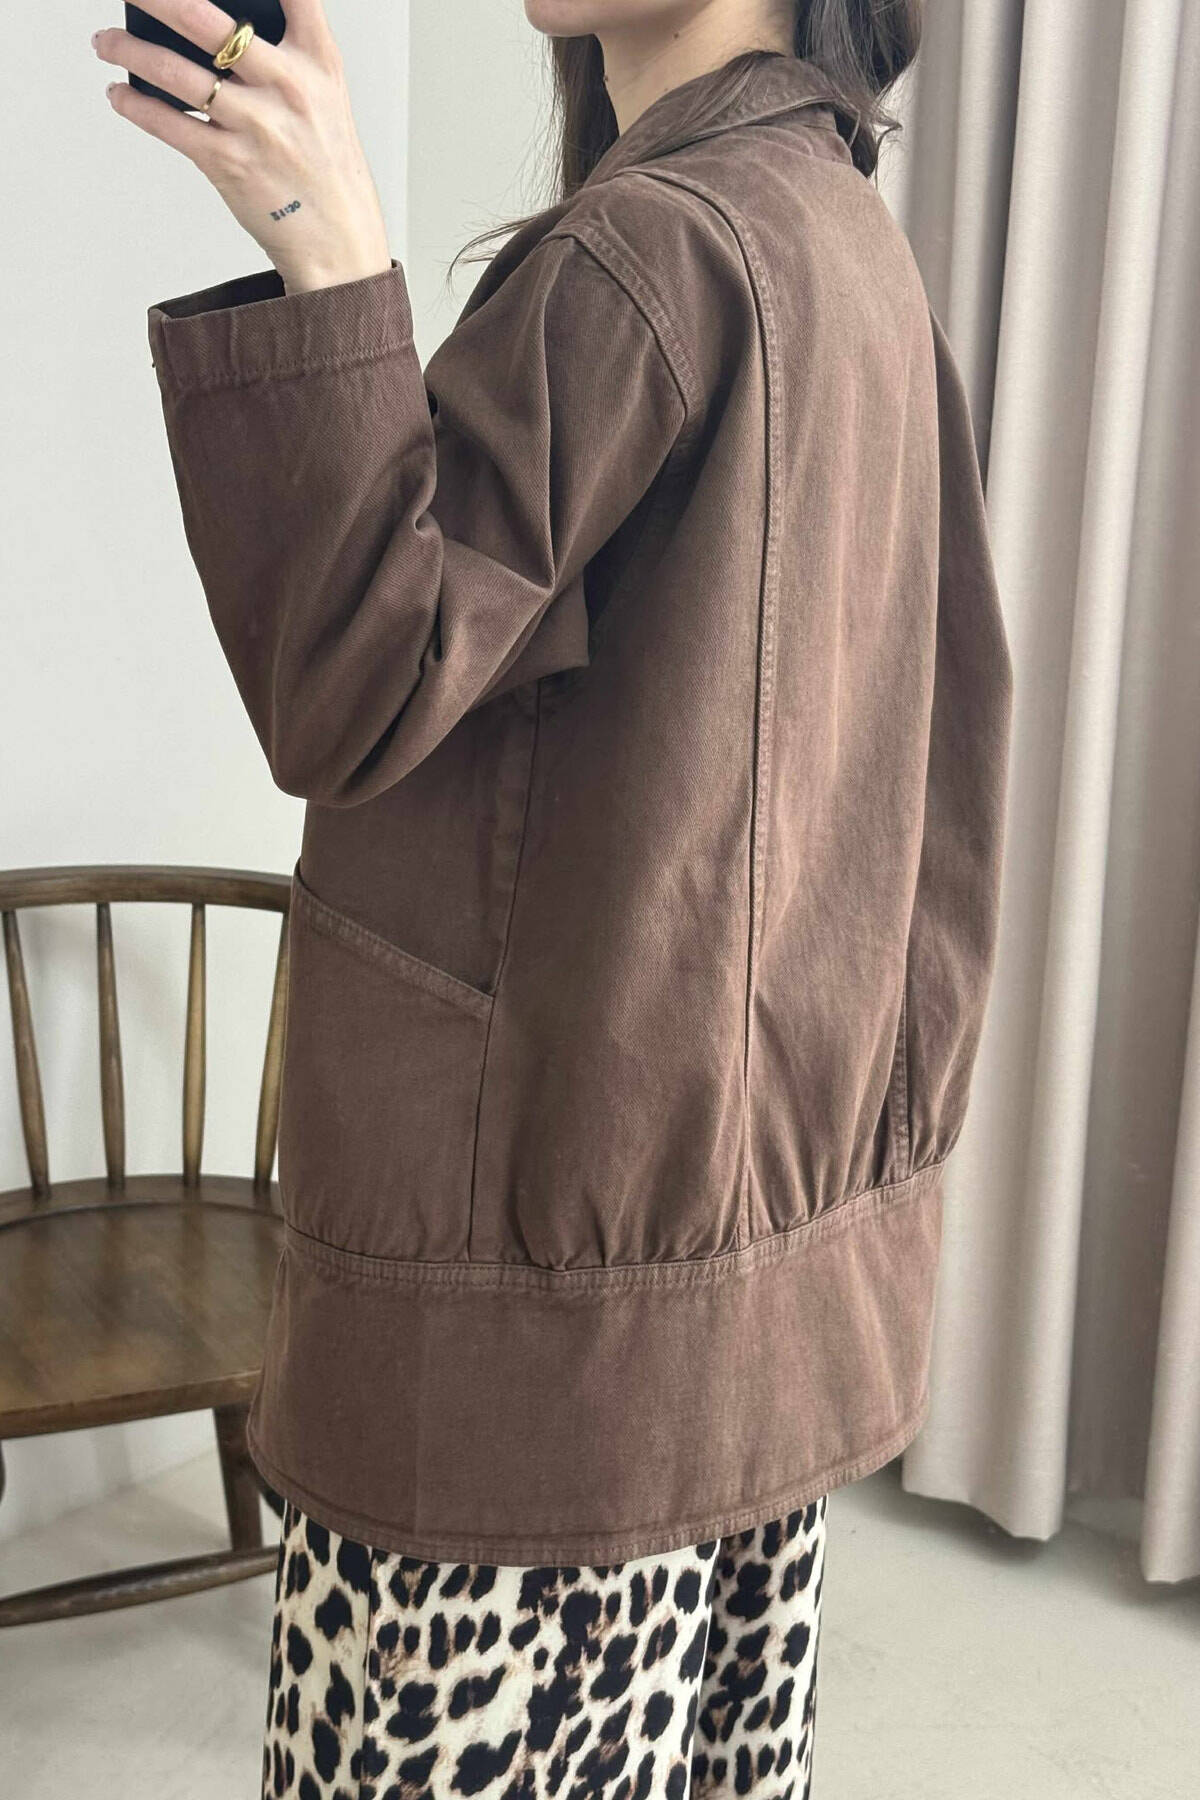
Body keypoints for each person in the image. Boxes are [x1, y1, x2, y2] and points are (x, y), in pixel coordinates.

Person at [92, 0, 1013, 1792]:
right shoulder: (839, 234)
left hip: (528, 1369)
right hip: (741, 1329)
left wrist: (330, 255)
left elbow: (359, 679)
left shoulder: (649, 256)